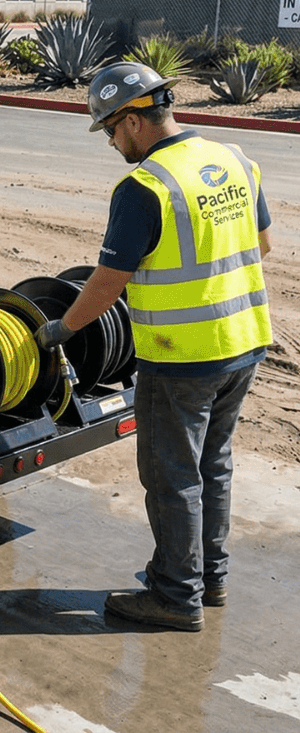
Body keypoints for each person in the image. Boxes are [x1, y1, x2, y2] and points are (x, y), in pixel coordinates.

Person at [37, 62, 271, 632]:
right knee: (212, 465)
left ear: (134, 121)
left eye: (109, 130)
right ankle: (208, 578)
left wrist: (62, 329)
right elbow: (262, 243)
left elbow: (107, 282)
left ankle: (174, 596)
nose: (111, 143)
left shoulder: (145, 187)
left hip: (182, 357)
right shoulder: (234, 158)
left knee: (172, 477)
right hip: (243, 342)